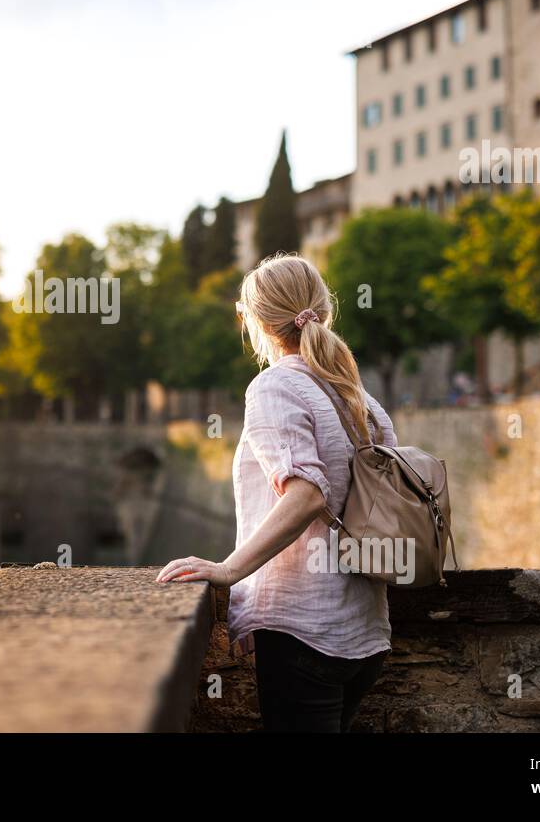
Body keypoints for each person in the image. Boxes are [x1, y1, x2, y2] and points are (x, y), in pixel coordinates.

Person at [156, 253, 395, 732]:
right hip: (364, 632)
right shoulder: (358, 396)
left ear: (256, 323)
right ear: (324, 310)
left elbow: (307, 494)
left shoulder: (274, 387)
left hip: (304, 630)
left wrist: (230, 570)